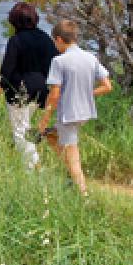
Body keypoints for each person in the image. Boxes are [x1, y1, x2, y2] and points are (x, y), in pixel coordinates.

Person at [40, 19, 114, 195]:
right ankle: (70, 176)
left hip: (69, 114)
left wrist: (44, 118)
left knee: (72, 153)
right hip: (85, 112)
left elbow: (55, 94)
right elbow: (107, 86)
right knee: (52, 136)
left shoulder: (59, 61)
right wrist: (87, 95)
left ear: (58, 39)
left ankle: (82, 193)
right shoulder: (90, 57)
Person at [0, 1, 56, 169]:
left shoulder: (16, 40)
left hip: (20, 91)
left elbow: (6, 72)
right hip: (41, 91)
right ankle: (34, 164)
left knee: (20, 130)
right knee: (25, 126)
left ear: (14, 21)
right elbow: (54, 65)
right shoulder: (46, 39)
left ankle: (33, 169)